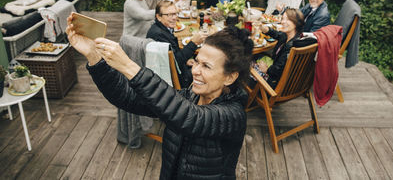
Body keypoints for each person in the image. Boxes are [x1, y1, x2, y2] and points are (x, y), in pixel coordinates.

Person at [66, 16, 254, 179]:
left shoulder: (233, 114)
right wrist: (93, 56)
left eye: (207, 66)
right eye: (196, 61)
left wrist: (128, 66)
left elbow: (192, 118)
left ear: (230, 77)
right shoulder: (188, 97)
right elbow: (128, 98)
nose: (195, 70)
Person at [146, 0, 206, 88]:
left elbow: (173, 56)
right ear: (158, 17)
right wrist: (194, 42)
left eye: (175, 14)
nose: (174, 18)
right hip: (175, 80)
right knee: (205, 72)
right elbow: (174, 63)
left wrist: (186, 61)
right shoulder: (158, 35)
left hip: (177, 70)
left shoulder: (163, 28)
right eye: (169, 15)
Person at [254, 8, 305, 89]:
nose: (282, 22)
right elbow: (278, 35)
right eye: (283, 19)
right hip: (280, 79)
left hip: (273, 83)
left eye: (287, 19)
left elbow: (277, 71)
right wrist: (266, 30)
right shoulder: (291, 36)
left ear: (296, 23)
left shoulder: (292, 47)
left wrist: (266, 69)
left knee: (244, 66)